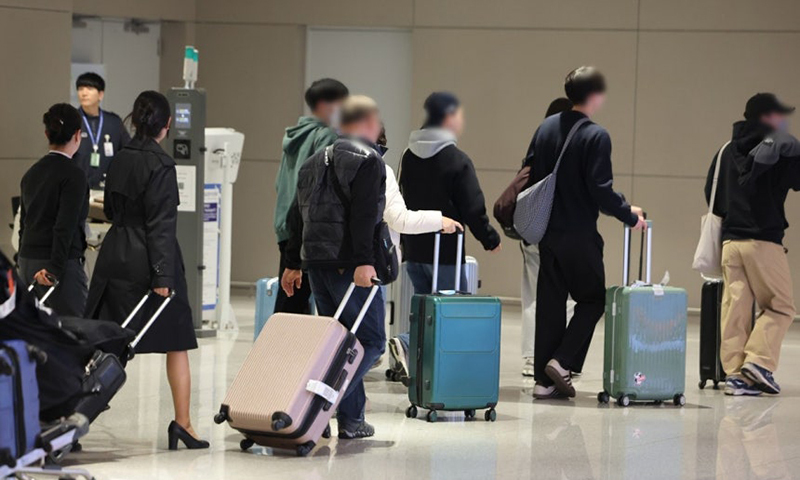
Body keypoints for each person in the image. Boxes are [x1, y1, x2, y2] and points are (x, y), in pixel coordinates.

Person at [85, 91, 208, 450]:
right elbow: (161, 225)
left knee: (104, 339)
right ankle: (182, 424)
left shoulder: (121, 157)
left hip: (115, 254)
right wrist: (163, 276)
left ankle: (69, 413)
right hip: (151, 261)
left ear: (135, 121)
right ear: (166, 125)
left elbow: (108, 206)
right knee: (178, 342)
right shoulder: (162, 165)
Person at [527, 67, 646, 399]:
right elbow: (600, 190)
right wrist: (628, 214)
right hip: (579, 234)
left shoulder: (545, 128)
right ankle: (562, 362)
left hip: (547, 232)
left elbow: (530, 172)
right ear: (595, 95)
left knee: (550, 305)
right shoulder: (596, 135)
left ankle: (543, 381)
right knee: (593, 299)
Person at [281, 95, 387, 440]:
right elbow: (364, 216)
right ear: (365, 124)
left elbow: (296, 216)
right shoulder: (368, 160)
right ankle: (317, 407)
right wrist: (363, 261)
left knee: (342, 341)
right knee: (371, 340)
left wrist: (293, 263)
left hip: (316, 265)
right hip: (348, 265)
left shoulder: (312, 161)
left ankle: (352, 420)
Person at [388, 92, 501, 378]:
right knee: (448, 310)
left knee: (426, 305)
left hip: (414, 249)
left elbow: (401, 197)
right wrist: (489, 238)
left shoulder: (407, 155)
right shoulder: (457, 159)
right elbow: (473, 206)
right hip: (447, 252)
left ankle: (417, 362)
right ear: (449, 117)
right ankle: (408, 345)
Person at [704, 93, 800, 396]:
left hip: (731, 241)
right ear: (766, 117)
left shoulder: (725, 151)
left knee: (735, 309)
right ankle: (758, 361)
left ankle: (736, 376)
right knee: (781, 306)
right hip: (763, 240)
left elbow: (711, 193)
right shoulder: (779, 149)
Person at [273, 78, 349, 315]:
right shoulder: (327, 136)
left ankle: (288, 350)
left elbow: (279, 183)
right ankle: (282, 351)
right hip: (308, 228)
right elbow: (318, 188)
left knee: (292, 302)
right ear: (327, 106)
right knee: (297, 305)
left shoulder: (295, 135)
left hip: (286, 226)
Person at [520, 97, 577, 377]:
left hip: (534, 231)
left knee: (533, 296)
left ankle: (532, 358)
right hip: (566, 234)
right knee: (567, 298)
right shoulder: (577, 145)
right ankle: (561, 359)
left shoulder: (539, 141)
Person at [18, 104, 89, 316]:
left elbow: (24, 223)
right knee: (73, 333)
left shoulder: (31, 174)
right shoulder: (74, 175)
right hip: (58, 263)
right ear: (77, 135)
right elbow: (64, 226)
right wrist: (55, 270)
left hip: (28, 260)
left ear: (47, 133)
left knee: (35, 334)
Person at [74, 72, 131, 189]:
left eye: (89, 88)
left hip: (108, 187)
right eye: (80, 89)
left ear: (100, 94)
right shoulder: (72, 120)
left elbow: (128, 152)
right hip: (78, 187)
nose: (84, 93)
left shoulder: (113, 122)